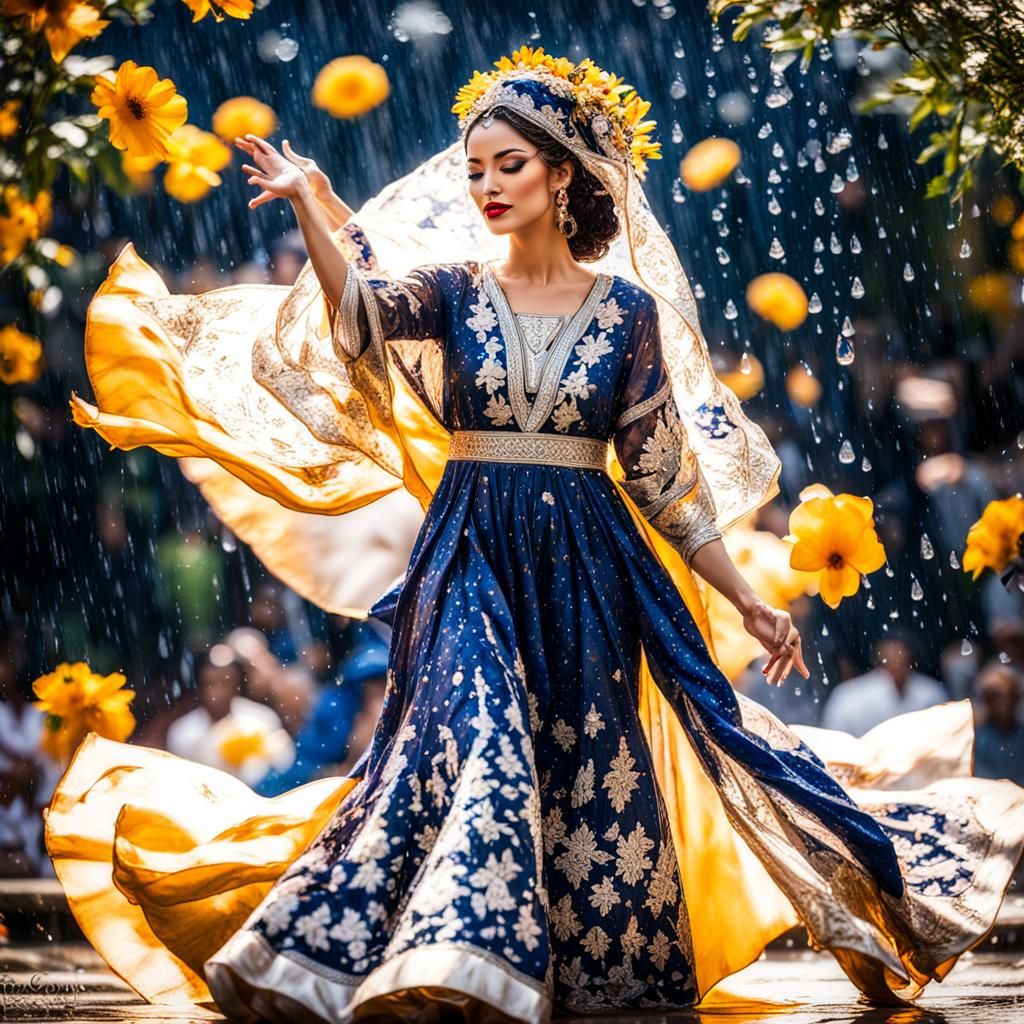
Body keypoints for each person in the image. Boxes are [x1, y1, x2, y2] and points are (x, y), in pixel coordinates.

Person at [47, 48, 1024, 1024]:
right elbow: (358, 320)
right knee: (479, 730)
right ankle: (458, 956)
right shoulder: (451, 290)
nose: (486, 186)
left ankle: (546, 964)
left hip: (589, 573)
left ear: (564, 173)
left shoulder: (629, 315)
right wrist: (313, 200)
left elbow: (663, 479)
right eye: (475, 168)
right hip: (469, 553)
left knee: (580, 761)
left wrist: (748, 596)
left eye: (508, 164)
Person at [255, 637, 389, 796]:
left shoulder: (402, 712)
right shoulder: (336, 708)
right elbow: (305, 766)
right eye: (370, 681)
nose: (374, 688)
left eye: (382, 681)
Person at [166, 650, 294, 787]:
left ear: (237, 686)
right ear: (199, 687)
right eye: (210, 684)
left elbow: (283, 764)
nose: (217, 692)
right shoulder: (183, 732)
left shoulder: (262, 718)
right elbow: (180, 783)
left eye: (225, 683)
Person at [821, 635, 948, 737]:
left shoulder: (930, 691)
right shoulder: (849, 695)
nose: (896, 665)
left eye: (901, 659)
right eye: (890, 659)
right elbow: (833, 739)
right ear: (876, 660)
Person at [973, 661, 1024, 785]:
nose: (990, 702)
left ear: (1015, 696)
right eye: (986, 696)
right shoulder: (977, 738)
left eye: (996, 695)